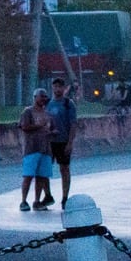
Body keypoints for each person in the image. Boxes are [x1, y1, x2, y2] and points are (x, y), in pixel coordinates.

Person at [17, 89, 55, 212]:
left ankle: (37, 201)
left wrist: (52, 132)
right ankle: (23, 200)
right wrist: (39, 126)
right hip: (32, 148)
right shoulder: (28, 112)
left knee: (41, 176)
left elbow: (53, 128)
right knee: (28, 175)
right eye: (41, 96)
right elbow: (24, 126)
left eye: (45, 97)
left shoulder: (47, 113)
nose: (44, 99)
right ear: (35, 97)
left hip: (45, 148)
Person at [45, 76, 79, 209]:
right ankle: (47, 195)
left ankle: (65, 197)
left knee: (64, 168)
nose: (57, 89)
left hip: (63, 140)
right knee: (45, 169)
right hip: (49, 142)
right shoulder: (48, 103)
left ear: (64, 89)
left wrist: (70, 143)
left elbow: (73, 124)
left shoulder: (68, 104)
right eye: (55, 86)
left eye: (60, 87)